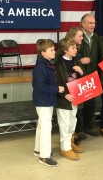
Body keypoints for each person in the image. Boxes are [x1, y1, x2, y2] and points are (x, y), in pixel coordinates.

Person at [32, 39, 64, 167]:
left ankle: (38, 149)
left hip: (46, 99)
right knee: (46, 127)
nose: (54, 51)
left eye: (54, 49)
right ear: (43, 53)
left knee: (41, 125)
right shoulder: (41, 67)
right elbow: (40, 86)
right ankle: (44, 157)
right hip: (43, 100)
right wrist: (57, 89)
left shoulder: (46, 63)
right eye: (51, 50)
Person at [55, 38, 85, 161]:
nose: (76, 50)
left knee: (73, 120)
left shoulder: (76, 61)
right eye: (73, 48)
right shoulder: (58, 64)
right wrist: (64, 95)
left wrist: (81, 71)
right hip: (64, 98)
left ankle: (70, 142)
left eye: (76, 47)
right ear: (65, 50)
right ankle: (65, 148)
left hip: (75, 96)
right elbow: (57, 82)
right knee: (64, 123)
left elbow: (84, 78)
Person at [77, 13, 100, 137]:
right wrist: (80, 61)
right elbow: (67, 55)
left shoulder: (96, 37)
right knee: (80, 106)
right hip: (80, 76)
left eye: (94, 23)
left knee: (91, 104)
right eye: (90, 23)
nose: (93, 25)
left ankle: (88, 127)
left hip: (92, 75)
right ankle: (78, 130)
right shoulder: (77, 37)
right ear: (83, 24)